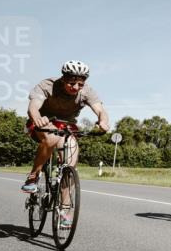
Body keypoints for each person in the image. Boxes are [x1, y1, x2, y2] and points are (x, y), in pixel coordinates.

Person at [22, 61, 109, 224]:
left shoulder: (87, 91)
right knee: (52, 138)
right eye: (71, 83)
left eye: (80, 84)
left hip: (66, 126)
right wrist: (38, 118)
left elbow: (100, 110)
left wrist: (103, 121)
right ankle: (33, 176)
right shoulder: (47, 85)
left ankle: (64, 209)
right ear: (63, 79)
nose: (76, 87)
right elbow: (33, 107)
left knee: (70, 162)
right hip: (43, 122)